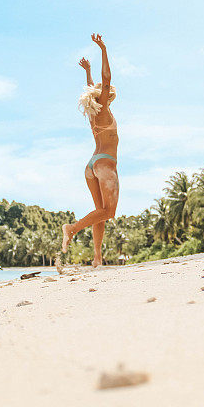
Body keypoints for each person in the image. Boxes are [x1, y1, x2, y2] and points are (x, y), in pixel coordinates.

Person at [61, 33, 119, 267]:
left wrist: (87, 71)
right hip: (105, 164)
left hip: (91, 165)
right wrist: (103, 49)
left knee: (100, 211)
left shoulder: (94, 112)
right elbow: (105, 81)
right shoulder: (103, 108)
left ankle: (97, 258)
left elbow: (94, 87)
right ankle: (72, 228)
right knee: (109, 212)